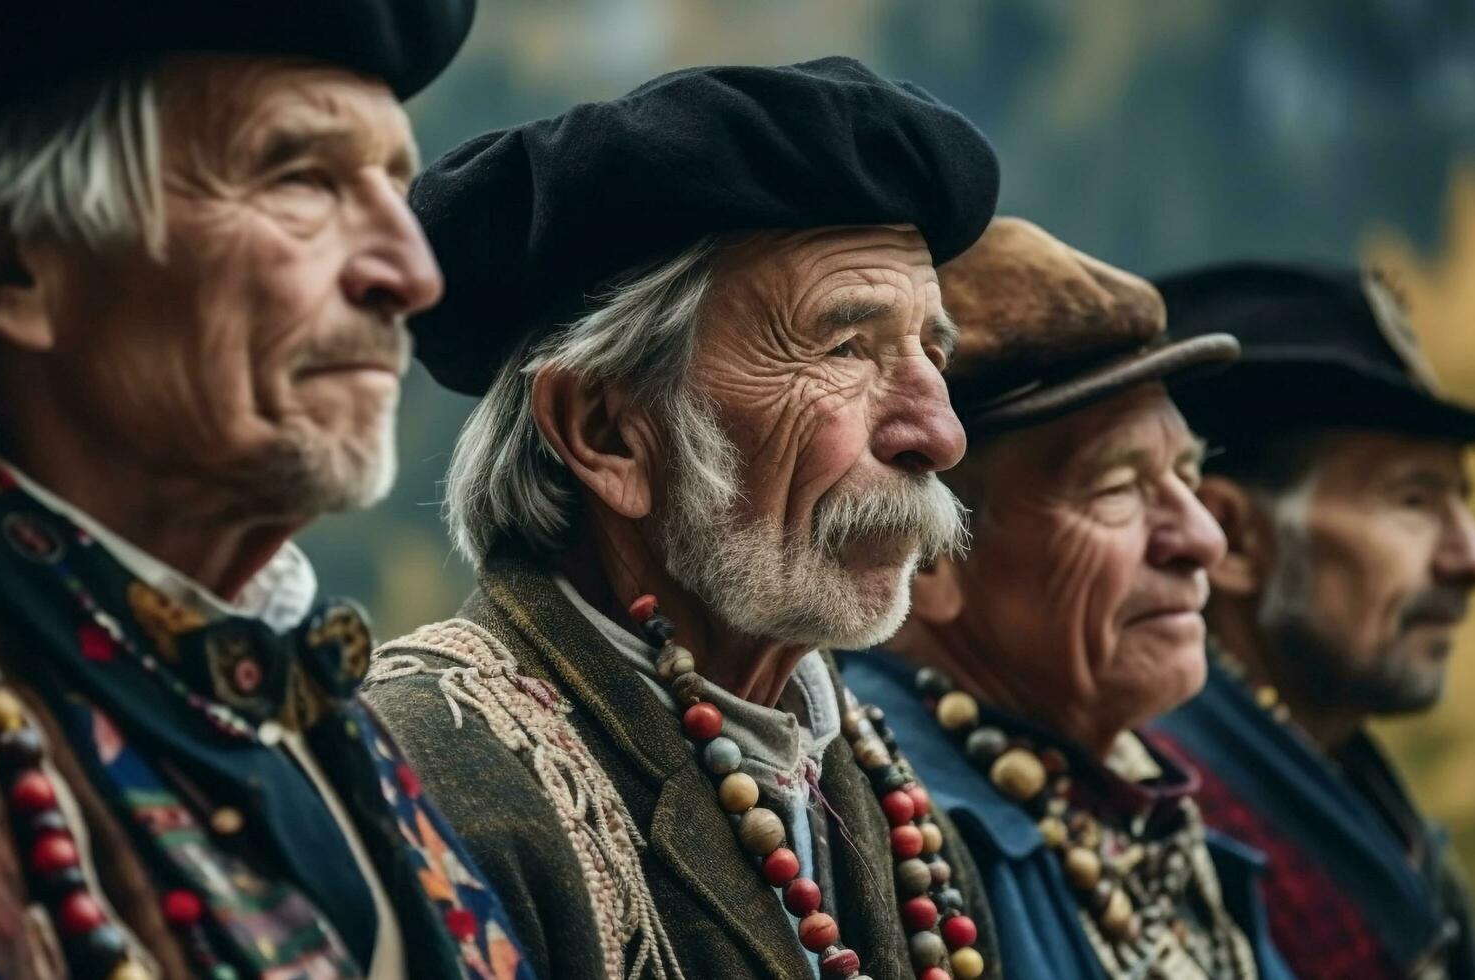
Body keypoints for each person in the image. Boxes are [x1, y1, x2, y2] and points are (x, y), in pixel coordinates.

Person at [0, 1, 531, 977]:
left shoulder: (316, 721)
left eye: (393, 192)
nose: (409, 273)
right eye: (299, 179)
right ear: (4, 266)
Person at [363, 57, 1003, 980]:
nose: (936, 434)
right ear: (607, 433)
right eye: (844, 347)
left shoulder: (876, 789)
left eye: (929, 353)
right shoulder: (429, 779)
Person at [842, 217, 1294, 979]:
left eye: (1185, 475)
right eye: (1117, 487)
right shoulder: (878, 842)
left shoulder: (1138, 796)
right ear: (924, 558)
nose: (1200, 539)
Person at [1149, 262, 1475, 980]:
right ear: (1230, 538)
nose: (1472, 556)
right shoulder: (1150, 824)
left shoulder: (1348, 794)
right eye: (1412, 501)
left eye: (1460, 500)